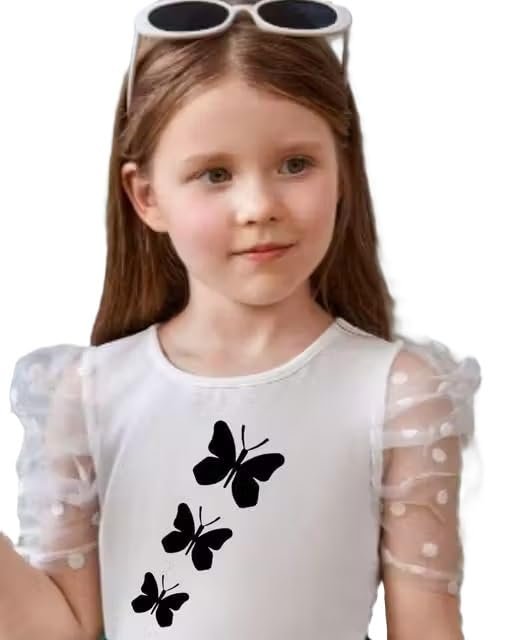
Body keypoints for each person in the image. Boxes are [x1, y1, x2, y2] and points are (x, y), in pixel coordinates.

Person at [1, 1, 482, 639]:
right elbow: (61, 630)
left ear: (342, 170)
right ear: (147, 196)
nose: (258, 205)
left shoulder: (399, 394)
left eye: (295, 164)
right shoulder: (90, 396)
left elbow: (427, 629)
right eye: (215, 174)